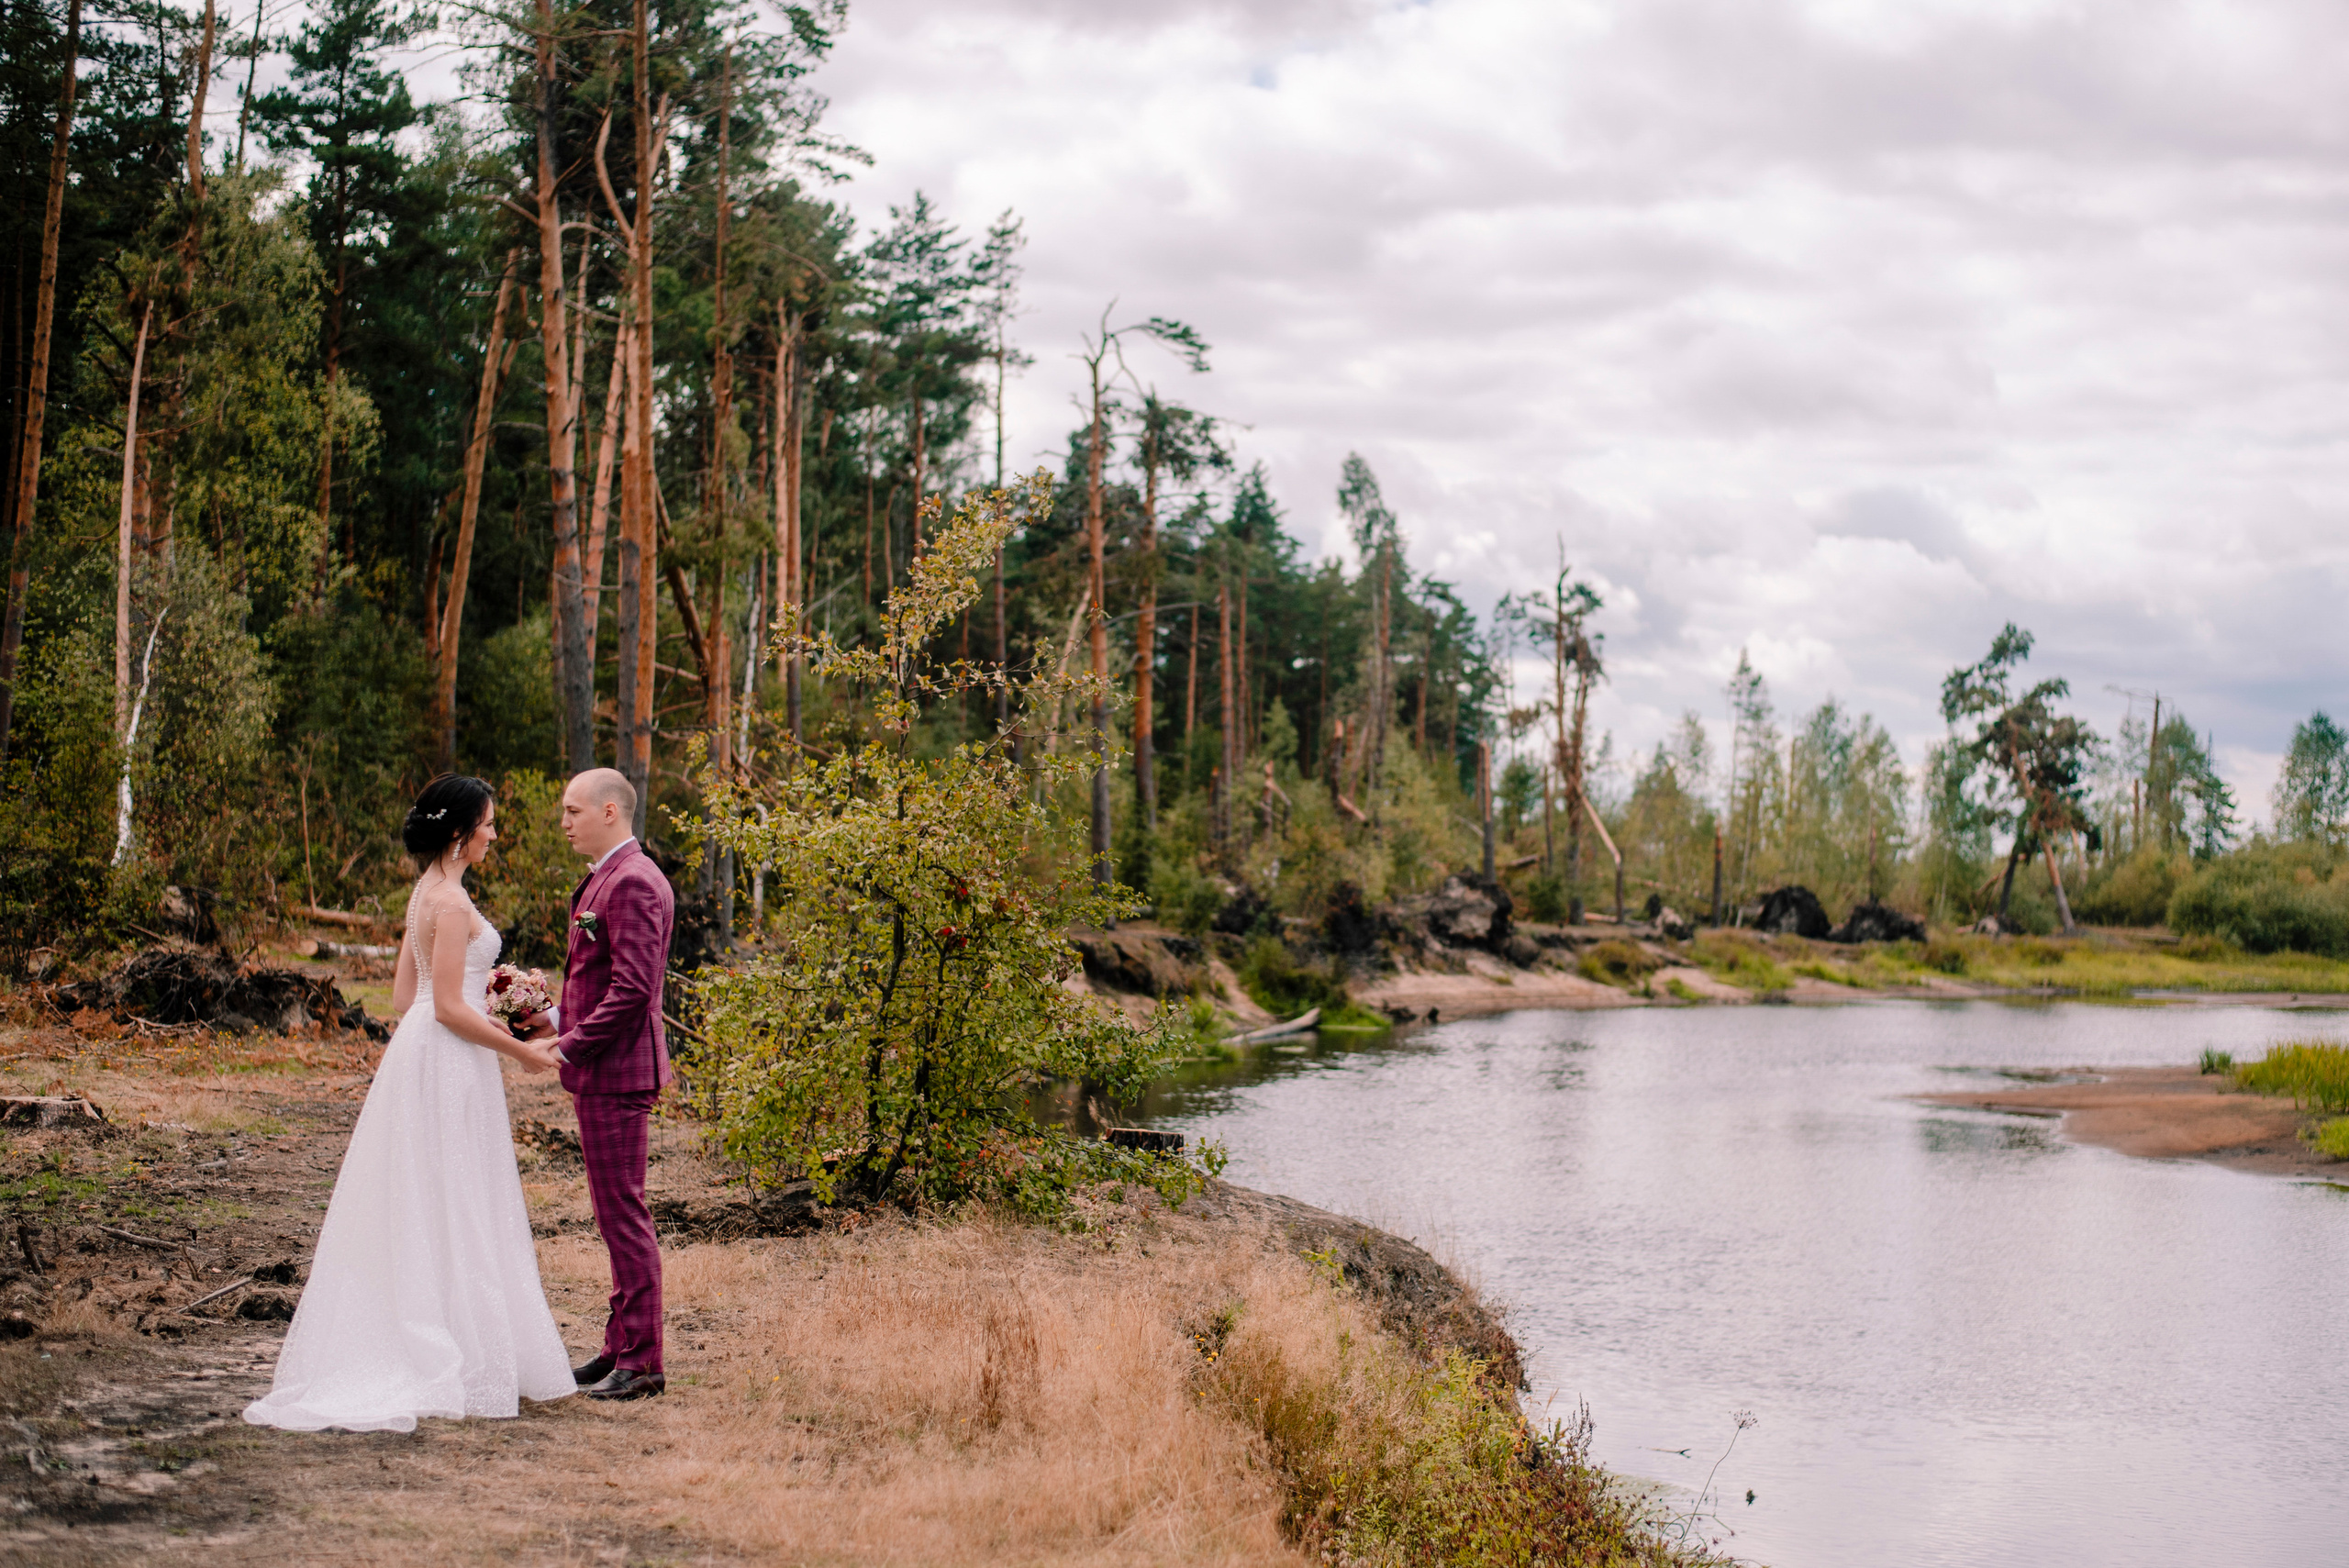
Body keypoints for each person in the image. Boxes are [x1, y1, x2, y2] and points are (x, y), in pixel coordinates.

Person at [244, 775, 573, 1433]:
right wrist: (522, 1048)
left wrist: (497, 995)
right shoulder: (450, 903)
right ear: (459, 832)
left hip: (421, 1054)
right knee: (457, 1192)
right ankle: (460, 1350)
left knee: (432, 1190)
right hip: (450, 1056)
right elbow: (448, 1005)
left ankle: (452, 1330)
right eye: (488, 824)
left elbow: (405, 998)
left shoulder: (425, 892)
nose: (494, 834)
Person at [520, 767, 675, 1401]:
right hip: (603, 1070)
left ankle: (642, 1361)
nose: (564, 820)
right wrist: (550, 1016)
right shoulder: (609, 875)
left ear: (610, 811)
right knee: (615, 1218)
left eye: (572, 809)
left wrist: (569, 1046)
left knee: (624, 1217)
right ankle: (620, 1345)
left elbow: (634, 991)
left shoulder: (634, 880)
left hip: (617, 1073)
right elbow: (598, 981)